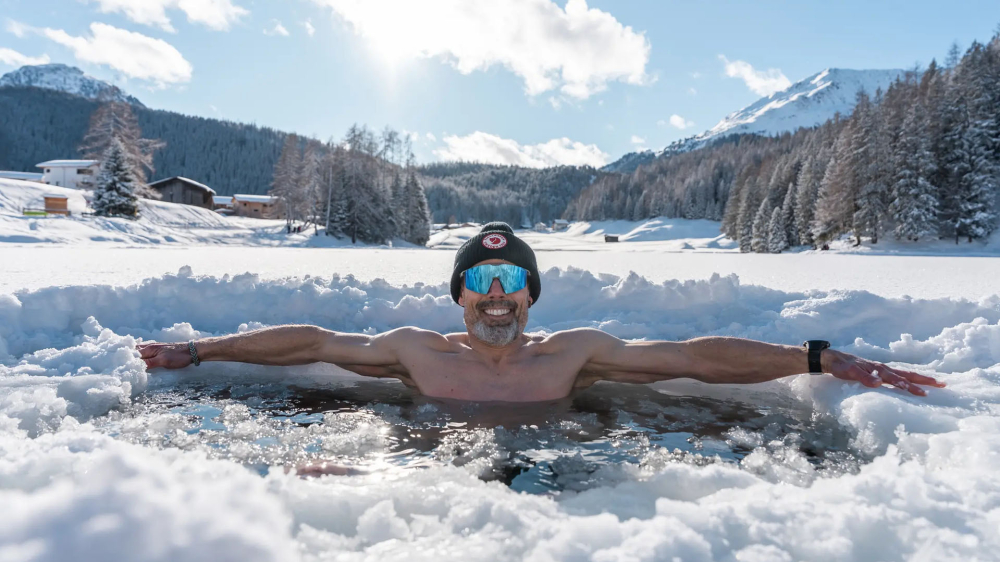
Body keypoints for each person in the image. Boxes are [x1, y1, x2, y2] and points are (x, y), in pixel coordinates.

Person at [138, 222, 945, 401]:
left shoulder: (574, 353)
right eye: (479, 283)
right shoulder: (413, 351)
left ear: (530, 297)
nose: (495, 298)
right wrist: (200, 351)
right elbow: (311, 344)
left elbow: (692, 357)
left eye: (510, 283)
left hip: (567, 471)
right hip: (427, 470)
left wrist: (816, 358)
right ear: (458, 297)